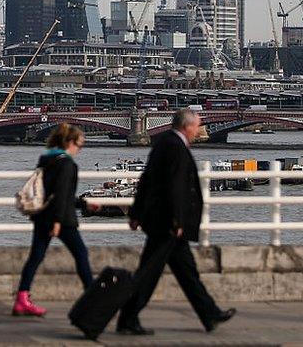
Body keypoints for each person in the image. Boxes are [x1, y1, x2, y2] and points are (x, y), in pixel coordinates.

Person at [116, 108, 236, 335]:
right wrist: (177, 220)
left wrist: (136, 213)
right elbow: (175, 187)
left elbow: (147, 180)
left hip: (165, 222)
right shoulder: (174, 147)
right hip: (168, 224)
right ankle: (127, 318)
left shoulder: (166, 143)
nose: (199, 131)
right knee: (148, 274)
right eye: (197, 126)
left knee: (187, 272)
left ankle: (209, 313)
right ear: (187, 126)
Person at [13, 123, 98, 317]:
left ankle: (21, 299)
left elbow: (51, 194)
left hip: (42, 216)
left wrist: (84, 205)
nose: (80, 149)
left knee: (36, 256)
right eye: (79, 145)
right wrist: (58, 222)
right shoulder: (68, 164)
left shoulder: (46, 160)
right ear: (69, 142)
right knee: (81, 255)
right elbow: (61, 195)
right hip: (62, 219)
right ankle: (92, 298)